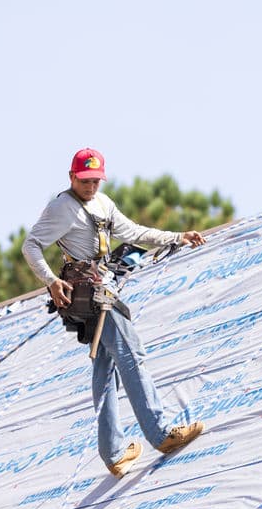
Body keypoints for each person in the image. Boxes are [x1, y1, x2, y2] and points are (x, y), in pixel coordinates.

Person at [22, 148, 207, 477]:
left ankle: (114, 453)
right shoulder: (62, 208)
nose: (91, 186)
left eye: (96, 180)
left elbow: (134, 232)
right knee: (131, 354)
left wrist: (178, 237)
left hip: (100, 292)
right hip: (93, 296)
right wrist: (50, 281)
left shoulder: (103, 203)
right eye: (85, 180)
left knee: (105, 369)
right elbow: (31, 245)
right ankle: (161, 433)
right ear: (71, 177)